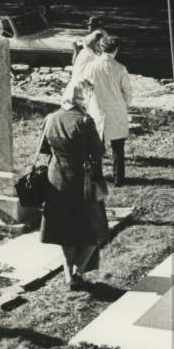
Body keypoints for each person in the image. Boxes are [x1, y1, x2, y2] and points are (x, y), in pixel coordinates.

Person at [39, 78, 109, 290]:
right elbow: (98, 152)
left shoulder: (51, 118)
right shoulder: (85, 121)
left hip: (56, 180)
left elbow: (44, 149)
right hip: (81, 180)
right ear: (83, 97)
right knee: (95, 228)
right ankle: (78, 271)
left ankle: (68, 274)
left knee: (65, 230)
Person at [86, 35, 135, 185]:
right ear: (116, 49)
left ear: (101, 47)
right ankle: (119, 178)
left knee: (95, 147)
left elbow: (85, 88)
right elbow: (128, 91)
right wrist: (125, 104)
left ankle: (96, 177)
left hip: (97, 108)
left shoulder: (91, 67)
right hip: (116, 108)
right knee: (117, 147)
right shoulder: (120, 68)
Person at [62, 28, 104, 104]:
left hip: (76, 86)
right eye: (99, 45)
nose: (101, 49)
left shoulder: (85, 51)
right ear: (96, 43)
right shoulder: (91, 56)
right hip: (81, 88)